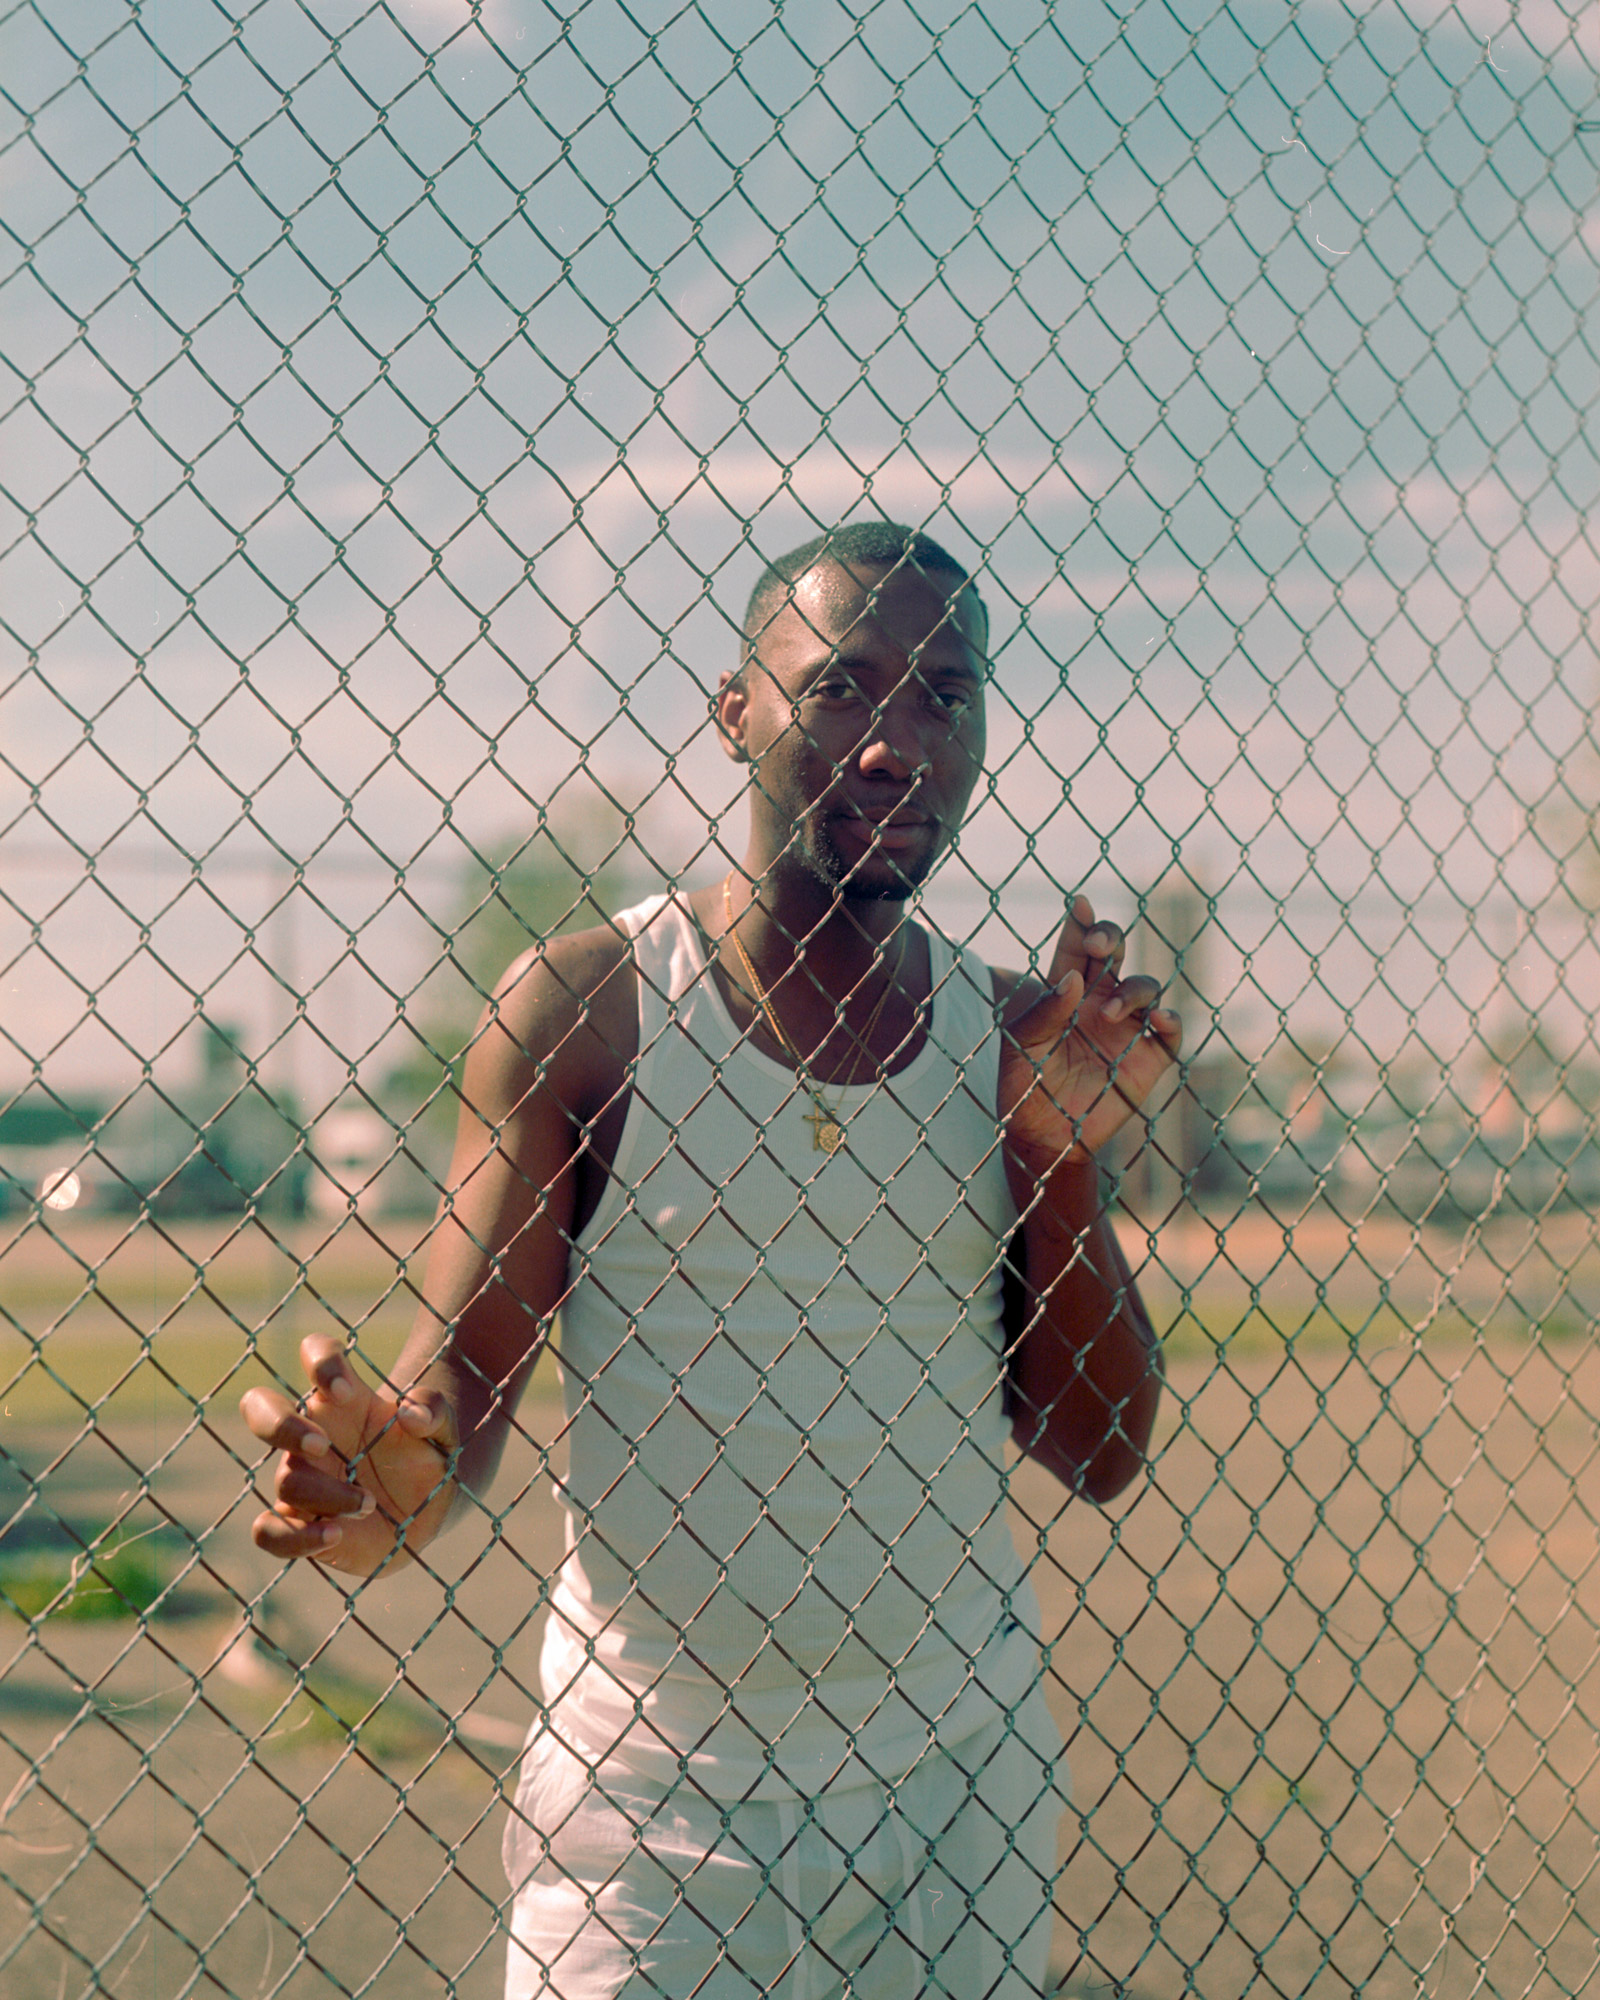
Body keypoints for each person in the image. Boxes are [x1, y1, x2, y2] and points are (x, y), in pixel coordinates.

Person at [241, 522, 1182, 1998]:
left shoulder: (1009, 1035)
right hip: (655, 1802)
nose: (896, 745)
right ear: (734, 709)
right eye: (842, 688)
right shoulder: (593, 1007)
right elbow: (468, 1370)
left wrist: (1056, 1160)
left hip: (961, 1775)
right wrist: (398, 1468)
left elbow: (1104, 1448)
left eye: (945, 694)